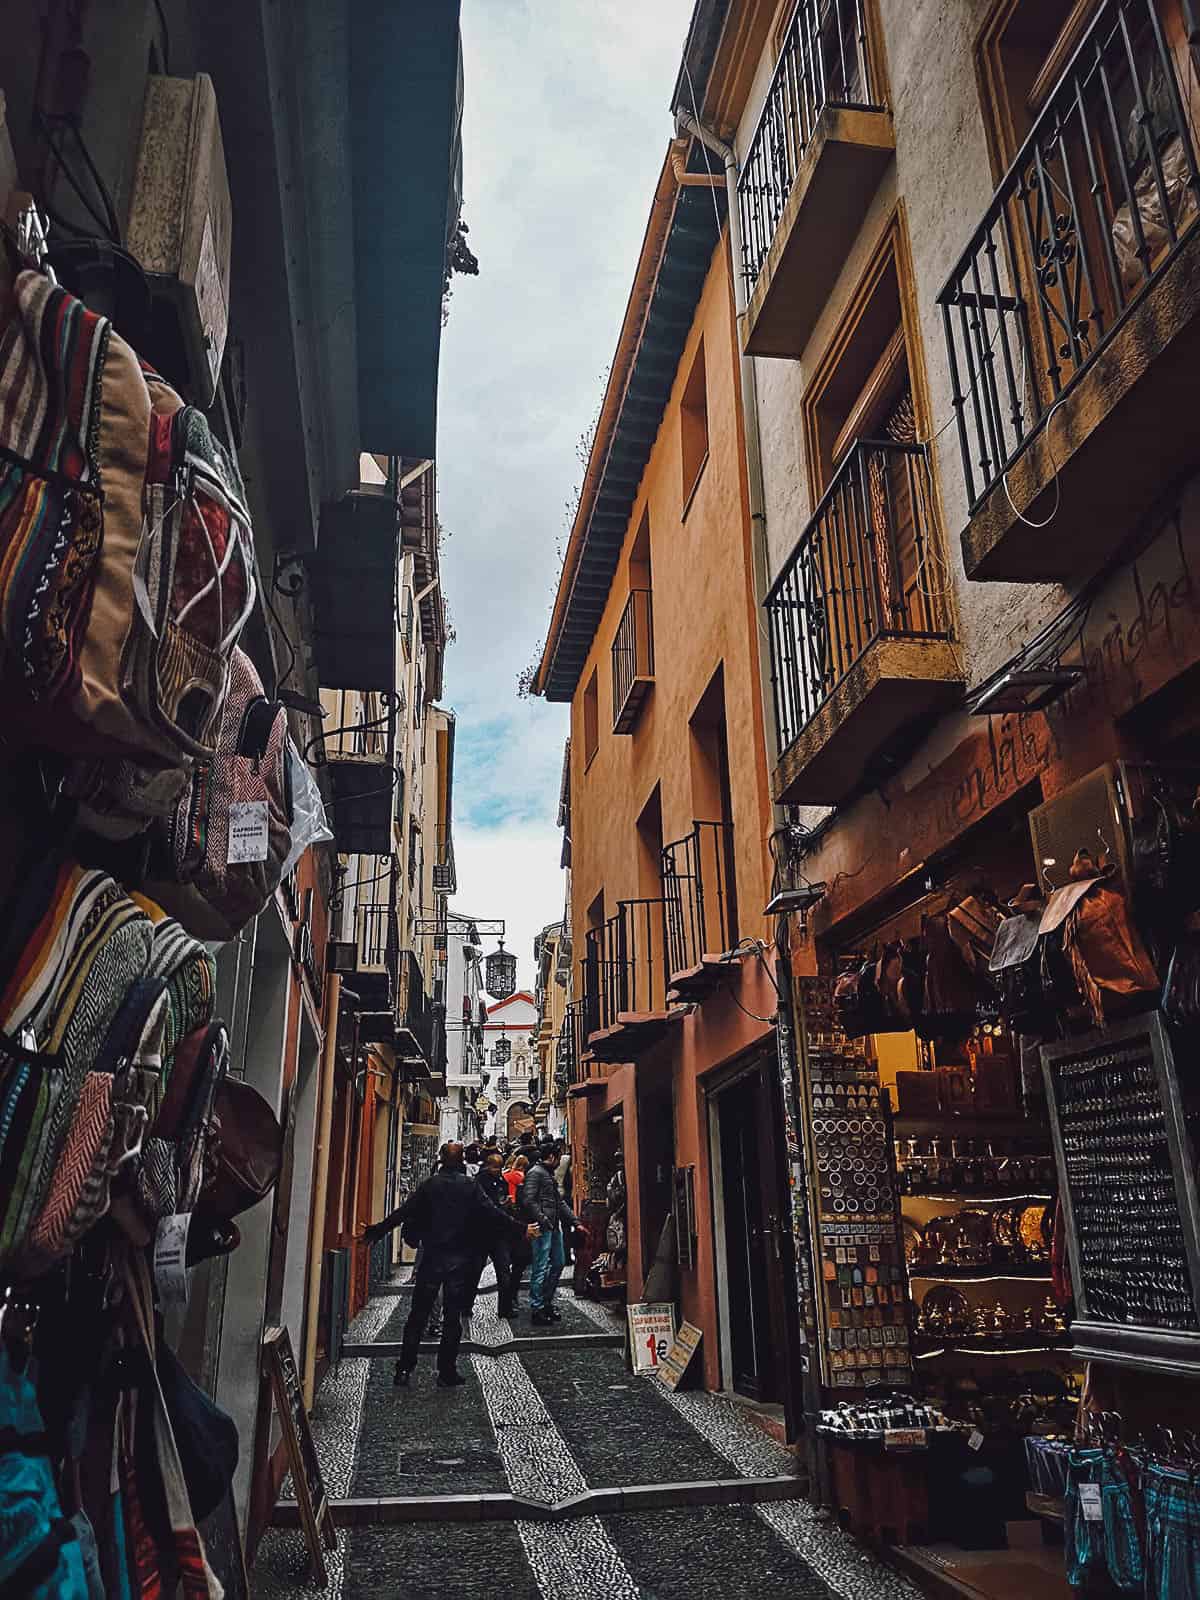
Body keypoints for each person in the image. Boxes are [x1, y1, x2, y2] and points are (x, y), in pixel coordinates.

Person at [365, 1141, 538, 1387]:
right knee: (452, 1318)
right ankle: (446, 1371)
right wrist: (522, 1229)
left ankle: (404, 1369)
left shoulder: (430, 1185)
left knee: (417, 1316)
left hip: (432, 1258)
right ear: (460, 1161)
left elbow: (404, 1212)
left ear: (441, 1159)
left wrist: (376, 1231)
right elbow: (493, 1214)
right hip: (459, 1261)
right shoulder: (470, 1186)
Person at [524, 1142, 582, 1325]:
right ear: (551, 1157)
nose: (560, 1161)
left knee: (558, 1262)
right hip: (543, 1227)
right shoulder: (535, 1173)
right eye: (558, 1157)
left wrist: (575, 1221)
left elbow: (559, 1201)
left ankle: (546, 1301)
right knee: (540, 1267)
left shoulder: (547, 1174)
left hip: (552, 1226)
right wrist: (543, 1220)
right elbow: (528, 1200)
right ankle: (537, 1307)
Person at [469, 1152, 518, 1320]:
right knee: (474, 1271)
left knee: (504, 1272)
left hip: (499, 1234)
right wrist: (504, 1204)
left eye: (500, 1167)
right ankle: (465, 1305)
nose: (498, 1170)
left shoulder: (501, 1180)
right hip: (482, 1233)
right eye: (496, 1167)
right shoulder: (479, 1182)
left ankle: (505, 1308)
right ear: (489, 1165)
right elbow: (485, 1207)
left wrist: (506, 1204)